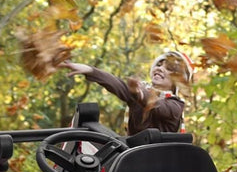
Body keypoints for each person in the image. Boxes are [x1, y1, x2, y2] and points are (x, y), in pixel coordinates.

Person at [61, 49, 193, 135]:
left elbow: (157, 105)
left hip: (157, 164)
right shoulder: (137, 95)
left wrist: (140, 95)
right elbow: (120, 86)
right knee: (84, 129)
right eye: (159, 65)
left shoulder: (175, 106)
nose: (160, 68)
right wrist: (90, 71)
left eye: (169, 68)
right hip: (131, 156)